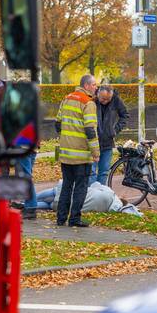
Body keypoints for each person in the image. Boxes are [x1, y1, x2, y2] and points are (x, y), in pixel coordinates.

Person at [54, 74, 99, 227]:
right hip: (81, 155)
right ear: (86, 86)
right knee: (80, 187)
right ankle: (74, 219)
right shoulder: (88, 103)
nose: (96, 87)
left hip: (66, 153)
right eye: (94, 85)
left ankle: (60, 218)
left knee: (67, 185)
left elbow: (57, 124)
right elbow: (90, 130)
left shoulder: (67, 98)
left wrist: (65, 139)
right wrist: (95, 152)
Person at [92, 84, 129, 185]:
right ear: (98, 93)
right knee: (91, 172)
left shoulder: (116, 100)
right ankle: (90, 196)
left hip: (107, 142)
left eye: (108, 99)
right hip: (92, 141)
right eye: (103, 98)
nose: (105, 101)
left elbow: (125, 115)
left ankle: (100, 195)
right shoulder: (92, 99)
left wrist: (115, 130)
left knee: (104, 172)